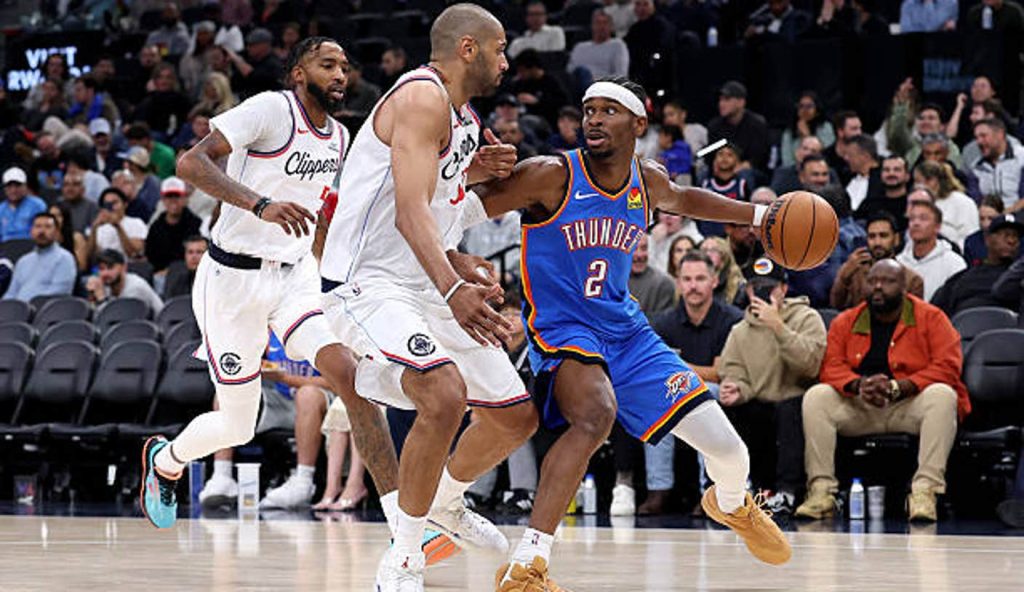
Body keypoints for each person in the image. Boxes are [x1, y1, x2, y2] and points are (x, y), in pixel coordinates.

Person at [470, 77, 792, 588]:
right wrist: (453, 251)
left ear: (639, 124)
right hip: (565, 328)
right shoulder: (551, 174)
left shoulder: (650, 182)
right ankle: (529, 564)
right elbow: (461, 208)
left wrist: (761, 214)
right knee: (595, 415)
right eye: (588, 110)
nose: (593, 119)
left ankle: (732, 505)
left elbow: (687, 198)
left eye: (608, 111)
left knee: (732, 454)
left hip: (628, 332)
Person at [138, 38, 405, 559]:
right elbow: (191, 165)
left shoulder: (341, 137)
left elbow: (331, 216)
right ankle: (167, 461)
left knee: (350, 376)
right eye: (328, 64)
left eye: (345, 67)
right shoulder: (268, 109)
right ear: (298, 73)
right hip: (232, 280)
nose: (340, 74)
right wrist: (259, 204)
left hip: (295, 276)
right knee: (238, 421)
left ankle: (407, 528)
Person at [317, 8, 539, 589]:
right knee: (442, 394)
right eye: (500, 48)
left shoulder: (463, 119)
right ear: (468, 48)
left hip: (419, 279)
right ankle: (405, 554)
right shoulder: (420, 99)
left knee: (515, 417)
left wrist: (469, 186)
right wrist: (455, 287)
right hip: (365, 284)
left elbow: (438, 214)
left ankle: (444, 501)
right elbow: (410, 212)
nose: (505, 60)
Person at [796, 259, 970, 522]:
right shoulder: (846, 321)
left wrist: (900, 386)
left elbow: (948, 366)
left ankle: (925, 492)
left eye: (887, 281)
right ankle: (821, 491)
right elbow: (830, 367)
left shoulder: (931, 318)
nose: (878, 287)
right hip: (861, 406)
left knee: (943, 395)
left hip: (908, 404)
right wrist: (859, 385)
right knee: (817, 396)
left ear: (904, 287)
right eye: (872, 280)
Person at [718, 258, 827, 513]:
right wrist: (736, 389)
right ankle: (750, 487)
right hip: (760, 403)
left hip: (797, 401)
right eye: (757, 289)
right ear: (747, 292)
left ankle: (788, 491)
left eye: (770, 288)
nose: (763, 295)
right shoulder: (740, 330)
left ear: (784, 289)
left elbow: (811, 366)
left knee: (789, 410)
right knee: (739, 408)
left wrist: (778, 327)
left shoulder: (806, 318)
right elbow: (732, 370)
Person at [646, 250, 744, 515]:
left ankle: (710, 490)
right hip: (675, 391)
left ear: (714, 281)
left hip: (720, 392)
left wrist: (682, 369)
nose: (693, 285)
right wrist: (697, 372)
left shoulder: (732, 320)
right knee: (657, 400)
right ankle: (659, 488)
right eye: (687, 279)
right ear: (678, 282)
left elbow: (721, 372)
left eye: (700, 278)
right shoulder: (664, 323)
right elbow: (658, 371)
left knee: (706, 395)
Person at [831, 211, 925, 309]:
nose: (877, 242)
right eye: (872, 236)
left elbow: (913, 318)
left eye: (883, 236)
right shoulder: (855, 273)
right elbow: (837, 305)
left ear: (896, 239)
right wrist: (843, 277)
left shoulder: (912, 280)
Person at [932, 215, 1023, 315]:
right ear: (987, 239)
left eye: (1016, 236)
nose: (1011, 241)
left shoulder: (1019, 278)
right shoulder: (962, 278)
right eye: (1005, 235)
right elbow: (935, 313)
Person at [897, 201, 967, 301]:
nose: (916, 223)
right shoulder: (899, 262)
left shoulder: (954, 263)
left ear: (937, 227)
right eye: (912, 219)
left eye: (923, 218)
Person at [2, 213, 76, 301]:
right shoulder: (23, 261)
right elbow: (11, 293)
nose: (41, 231)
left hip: (48, 311)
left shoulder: (64, 258)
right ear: (31, 231)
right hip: (18, 311)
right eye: (38, 226)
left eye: (47, 227)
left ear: (57, 232)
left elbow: (60, 293)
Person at [707, 81, 771, 173]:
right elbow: (710, 153)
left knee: (745, 176)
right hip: (722, 169)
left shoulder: (757, 124)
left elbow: (760, 157)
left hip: (750, 169)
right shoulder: (714, 126)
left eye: (727, 99)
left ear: (741, 102)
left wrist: (740, 167)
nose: (721, 104)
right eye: (720, 100)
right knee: (703, 174)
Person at [914, 160, 978, 248]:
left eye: (927, 181)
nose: (921, 186)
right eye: (917, 182)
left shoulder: (962, 202)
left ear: (938, 180)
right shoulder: (915, 203)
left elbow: (970, 237)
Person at [145, 177, 203, 274]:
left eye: (177, 196)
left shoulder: (196, 224)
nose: (173, 200)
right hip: (159, 275)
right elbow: (150, 255)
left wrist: (172, 271)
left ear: (185, 198)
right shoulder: (156, 226)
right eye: (169, 196)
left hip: (189, 274)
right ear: (163, 200)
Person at [965, 118, 1024, 212]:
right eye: (976, 138)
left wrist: (1008, 213)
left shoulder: (1021, 157)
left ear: (1000, 135)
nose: (979, 142)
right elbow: (975, 200)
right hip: (988, 219)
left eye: (983, 136)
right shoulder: (976, 168)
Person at [86, 249, 164, 314]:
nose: (105, 273)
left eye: (110, 268)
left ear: (124, 267)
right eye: (101, 269)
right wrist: (92, 298)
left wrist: (101, 299)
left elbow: (119, 320)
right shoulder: (105, 285)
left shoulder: (136, 287)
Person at [567, 9, 630, 80]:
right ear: (592, 26)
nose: (601, 26)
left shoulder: (617, 45)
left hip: (602, 86)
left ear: (611, 27)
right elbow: (570, 72)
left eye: (605, 23)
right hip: (578, 85)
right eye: (598, 23)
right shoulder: (579, 47)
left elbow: (621, 75)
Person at [86, 188, 147, 261]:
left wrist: (118, 226)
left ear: (125, 204)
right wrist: (94, 228)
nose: (111, 207)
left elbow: (134, 253)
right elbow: (90, 256)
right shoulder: (99, 228)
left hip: (130, 266)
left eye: (114, 203)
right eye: (107, 204)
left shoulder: (136, 223)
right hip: (104, 267)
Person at [964, 195, 1024, 265]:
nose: (986, 224)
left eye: (991, 218)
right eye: (982, 219)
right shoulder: (971, 242)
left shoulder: (1021, 241)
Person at [779, 92, 835, 168]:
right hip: (794, 170)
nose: (804, 110)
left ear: (817, 110)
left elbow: (824, 154)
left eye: (809, 106)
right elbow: (787, 161)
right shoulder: (789, 132)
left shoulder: (825, 127)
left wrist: (806, 135)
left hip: (820, 168)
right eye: (801, 106)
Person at [227, 28, 285, 100]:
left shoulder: (274, 64)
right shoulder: (250, 61)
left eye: (252, 45)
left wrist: (236, 59)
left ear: (265, 45)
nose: (248, 48)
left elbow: (254, 76)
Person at [855, 155, 911, 228]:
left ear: (907, 176)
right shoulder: (869, 204)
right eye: (886, 170)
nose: (891, 173)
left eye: (897, 170)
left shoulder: (914, 203)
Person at [629, 233, 676, 319]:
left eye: (644, 248)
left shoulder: (663, 284)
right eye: (634, 249)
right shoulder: (608, 283)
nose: (639, 255)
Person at [771, 136, 839, 195]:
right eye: (805, 149)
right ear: (797, 151)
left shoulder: (830, 173)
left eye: (813, 151)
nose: (807, 153)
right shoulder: (783, 173)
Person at [1, 167, 48, 242]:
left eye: (17, 185)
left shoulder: (37, 205)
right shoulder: (1, 209)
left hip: (30, 247)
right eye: (9, 186)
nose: (13, 190)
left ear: (25, 186)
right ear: (4, 188)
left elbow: (42, 232)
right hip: (4, 249)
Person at [843, 135, 884, 212]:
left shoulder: (882, 180)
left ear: (865, 156)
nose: (846, 158)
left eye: (850, 155)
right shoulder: (846, 177)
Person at [701, 236, 745, 305]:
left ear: (724, 256)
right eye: (704, 250)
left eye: (713, 250)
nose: (708, 254)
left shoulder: (738, 286)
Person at [824, 110, 862, 184]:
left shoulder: (864, 156)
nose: (859, 133)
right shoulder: (825, 157)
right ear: (840, 132)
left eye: (860, 128)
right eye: (854, 129)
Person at [57, 169, 98, 235]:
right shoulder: (57, 206)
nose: (70, 188)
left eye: (75, 184)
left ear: (83, 189)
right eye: (66, 184)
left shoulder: (92, 207)